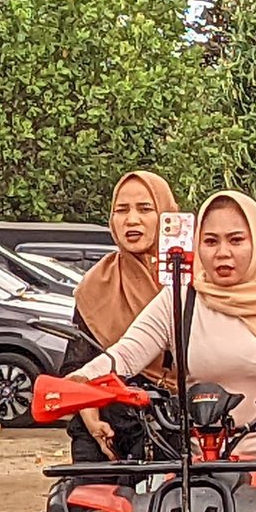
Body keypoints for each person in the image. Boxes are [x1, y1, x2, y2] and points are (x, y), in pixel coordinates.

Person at [70, 190, 256, 463]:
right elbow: (126, 353)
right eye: (211, 242)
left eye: (236, 240)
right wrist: (82, 379)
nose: (222, 252)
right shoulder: (181, 297)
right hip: (197, 466)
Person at [62, 170, 180, 462]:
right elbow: (79, 367)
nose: (132, 220)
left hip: (180, 423)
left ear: (166, 215)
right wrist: (92, 421)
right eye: (121, 210)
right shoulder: (96, 284)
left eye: (145, 209)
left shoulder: (193, 280)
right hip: (106, 421)